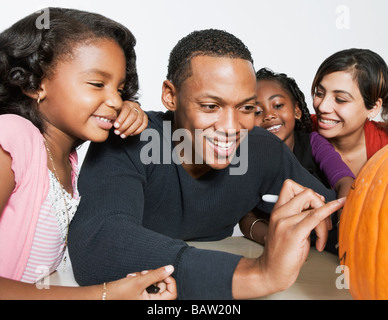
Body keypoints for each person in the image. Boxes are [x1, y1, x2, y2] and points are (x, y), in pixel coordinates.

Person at [68, 29, 340, 300]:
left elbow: (338, 217)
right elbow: (98, 243)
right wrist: (255, 274)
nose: (231, 128)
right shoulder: (131, 139)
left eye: (246, 108)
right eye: (211, 106)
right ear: (170, 96)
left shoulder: (262, 149)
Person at [0, 8, 176, 300]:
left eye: (120, 90)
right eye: (97, 84)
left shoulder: (68, 159)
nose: (115, 100)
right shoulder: (11, 137)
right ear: (34, 84)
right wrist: (105, 295)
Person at [239, 68, 354, 252]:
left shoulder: (314, 142)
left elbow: (345, 181)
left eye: (277, 105)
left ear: (297, 111)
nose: (269, 115)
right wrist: (270, 237)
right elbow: (246, 218)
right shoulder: (250, 160)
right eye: (257, 111)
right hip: (293, 246)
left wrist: (346, 223)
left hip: (335, 233)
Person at [311, 48, 388, 178]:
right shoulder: (297, 129)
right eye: (319, 93)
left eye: (340, 99)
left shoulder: (384, 144)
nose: (323, 107)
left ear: (373, 107)